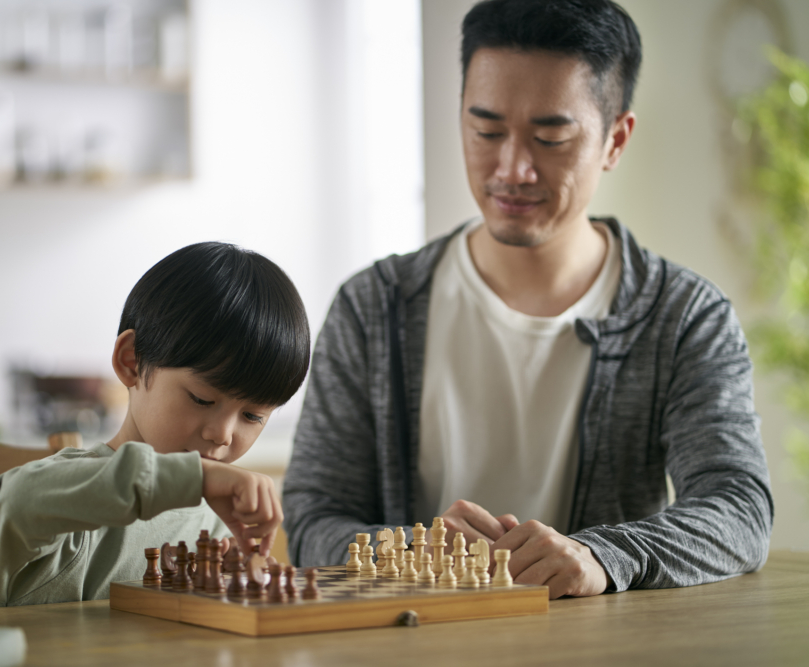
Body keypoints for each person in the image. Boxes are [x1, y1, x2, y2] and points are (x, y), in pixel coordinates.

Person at [282, 0, 772, 599]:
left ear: (615, 140)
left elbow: (738, 508)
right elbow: (313, 520)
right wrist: (417, 552)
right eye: (486, 131)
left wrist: (601, 556)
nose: (512, 168)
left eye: (550, 137)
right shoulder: (374, 307)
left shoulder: (683, 318)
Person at [0, 243, 310, 607]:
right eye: (202, 399)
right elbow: (14, 500)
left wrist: (234, 588)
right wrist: (196, 477)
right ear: (131, 362)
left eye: (252, 416)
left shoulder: (217, 525)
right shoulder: (68, 505)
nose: (222, 434)